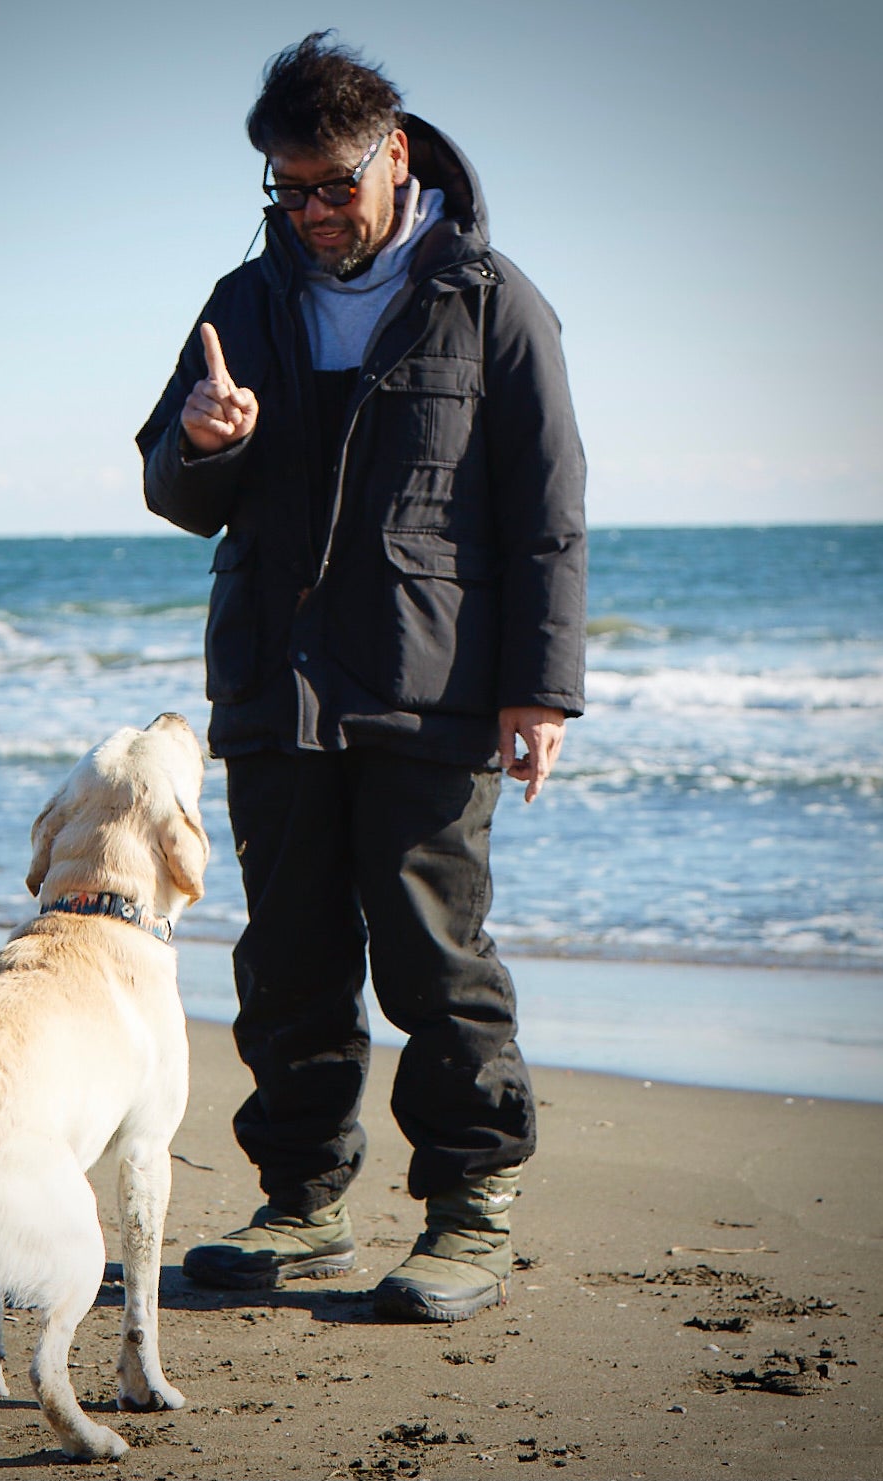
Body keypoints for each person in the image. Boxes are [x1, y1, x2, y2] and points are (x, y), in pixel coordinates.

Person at [136, 32, 586, 1323]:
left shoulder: (492, 299)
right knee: (285, 962)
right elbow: (174, 495)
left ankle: (466, 1211)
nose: (314, 212)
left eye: (334, 182)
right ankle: (301, 1204)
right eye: (290, 189)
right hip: (274, 687)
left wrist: (538, 690)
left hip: (428, 687)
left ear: (394, 157)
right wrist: (200, 440)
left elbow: (547, 512)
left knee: (434, 962)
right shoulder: (243, 298)